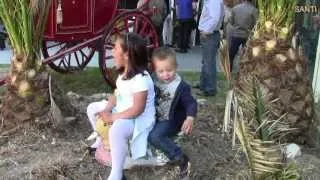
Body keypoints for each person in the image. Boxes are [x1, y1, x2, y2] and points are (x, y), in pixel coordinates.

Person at [86, 32, 156, 180]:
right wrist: (106, 109)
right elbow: (117, 94)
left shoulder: (141, 79)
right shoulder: (124, 73)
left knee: (116, 130)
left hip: (138, 119)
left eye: (115, 48)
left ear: (127, 55)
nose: (112, 51)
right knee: (92, 109)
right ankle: (103, 142)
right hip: (123, 108)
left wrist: (112, 117)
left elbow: (138, 110)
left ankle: (116, 173)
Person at [148, 47, 197, 177]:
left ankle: (179, 157)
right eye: (161, 71)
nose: (165, 75)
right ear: (155, 70)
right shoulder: (152, 79)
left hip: (170, 120)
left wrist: (190, 117)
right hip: (154, 116)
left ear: (176, 67)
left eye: (169, 70)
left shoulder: (181, 86)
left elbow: (190, 102)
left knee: (154, 136)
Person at [197, 0, 224, 96]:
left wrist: (207, 31)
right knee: (206, 61)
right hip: (209, 34)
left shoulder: (214, 1)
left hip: (209, 34)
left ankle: (210, 89)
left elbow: (214, 18)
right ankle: (203, 84)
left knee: (208, 62)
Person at [228, 0, 258, 71]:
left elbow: (231, 22)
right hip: (247, 35)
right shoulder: (254, 10)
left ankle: (229, 71)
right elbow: (256, 24)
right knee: (247, 55)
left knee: (231, 55)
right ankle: (244, 72)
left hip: (236, 34)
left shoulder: (235, 8)